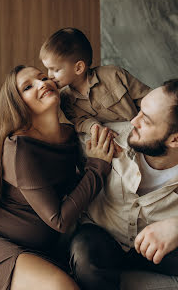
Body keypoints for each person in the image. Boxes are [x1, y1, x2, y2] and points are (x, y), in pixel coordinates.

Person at [0, 65, 115, 290]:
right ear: (17, 105)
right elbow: (59, 219)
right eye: (28, 87)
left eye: (44, 77)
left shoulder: (69, 135)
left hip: (35, 250)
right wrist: (97, 168)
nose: (42, 83)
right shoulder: (19, 149)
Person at [69, 79, 178, 290]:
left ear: (175, 140)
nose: (133, 121)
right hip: (101, 237)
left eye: (146, 120)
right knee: (84, 253)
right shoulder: (110, 137)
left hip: (156, 250)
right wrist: (95, 164)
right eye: (139, 110)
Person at [39, 27, 151, 136]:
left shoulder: (114, 75)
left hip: (142, 130)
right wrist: (94, 127)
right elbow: (80, 122)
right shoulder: (65, 98)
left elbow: (147, 98)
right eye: (48, 69)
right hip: (113, 141)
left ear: (78, 68)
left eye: (56, 70)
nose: (50, 75)